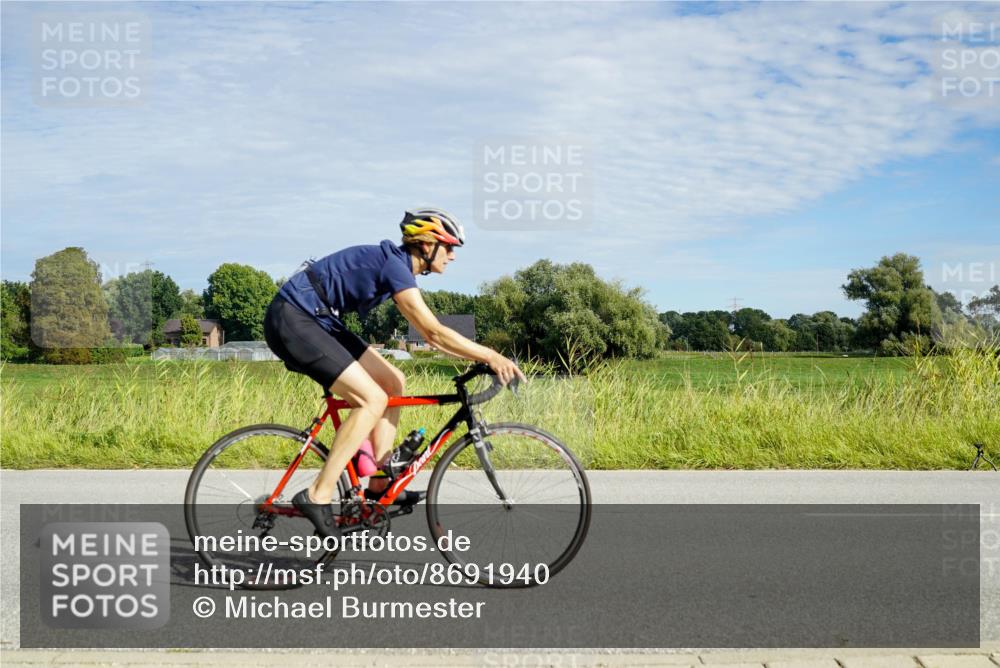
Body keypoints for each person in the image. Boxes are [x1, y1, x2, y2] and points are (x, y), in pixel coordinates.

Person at [263, 208, 525, 539]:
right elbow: (433, 333)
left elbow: (434, 335)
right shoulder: (395, 267)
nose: (453, 256)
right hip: (294, 317)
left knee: (393, 382)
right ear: (427, 244)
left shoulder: (396, 267)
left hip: (320, 318)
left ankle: (378, 482)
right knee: (371, 400)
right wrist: (490, 355)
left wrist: (481, 357)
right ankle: (318, 494)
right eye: (449, 247)